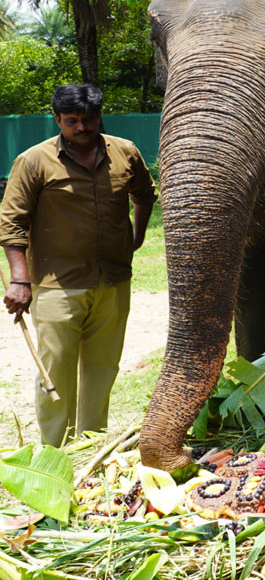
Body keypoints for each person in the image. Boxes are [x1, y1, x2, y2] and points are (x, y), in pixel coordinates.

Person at [0, 85, 156, 446]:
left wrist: (138, 237)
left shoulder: (125, 152)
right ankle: (55, 451)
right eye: (72, 121)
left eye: (89, 119)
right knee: (56, 371)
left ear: (100, 116)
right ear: (57, 119)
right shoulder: (33, 161)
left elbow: (145, 195)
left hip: (112, 280)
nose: (82, 127)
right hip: (57, 285)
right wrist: (20, 281)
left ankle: (92, 448)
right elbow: (11, 223)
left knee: (103, 369)